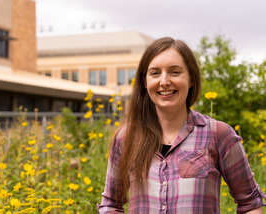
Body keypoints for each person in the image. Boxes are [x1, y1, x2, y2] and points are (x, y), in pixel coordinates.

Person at [98, 37, 266, 213]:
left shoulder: (219, 134)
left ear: (191, 79)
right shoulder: (126, 138)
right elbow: (111, 204)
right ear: (145, 81)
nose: (164, 81)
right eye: (155, 73)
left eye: (175, 72)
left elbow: (250, 204)